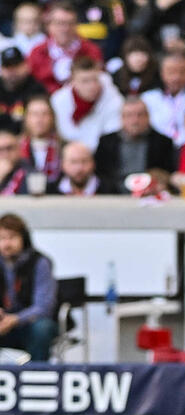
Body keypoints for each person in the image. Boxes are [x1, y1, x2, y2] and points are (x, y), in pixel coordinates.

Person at [0, 213, 58, 362]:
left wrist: (15, 319)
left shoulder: (40, 262)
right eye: (2, 238)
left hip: (28, 325)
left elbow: (44, 307)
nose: (6, 244)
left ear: (23, 238)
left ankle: (38, 375)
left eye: (12, 237)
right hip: (2, 323)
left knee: (42, 328)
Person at [95, 97, 176, 192]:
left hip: (150, 196)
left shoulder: (163, 142)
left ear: (148, 117)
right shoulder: (106, 142)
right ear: (122, 118)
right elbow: (100, 175)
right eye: (129, 115)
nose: (135, 121)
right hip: (115, 195)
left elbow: (169, 174)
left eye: (140, 115)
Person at [49, 56, 124, 152]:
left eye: (95, 79)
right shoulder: (59, 101)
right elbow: (66, 134)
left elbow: (112, 133)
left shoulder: (114, 98)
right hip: (73, 152)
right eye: (85, 81)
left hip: (105, 152)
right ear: (73, 82)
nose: (92, 86)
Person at [27, 1, 103, 94]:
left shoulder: (91, 51)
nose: (65, 29)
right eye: (60, 23)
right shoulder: (37, 52)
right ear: (49, 25)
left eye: (70, 23)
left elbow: (98, 80)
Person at [140, 54, 185, 148]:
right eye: (171, 72)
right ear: (162, 73)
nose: (176, 77)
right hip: (157, 150)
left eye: (182, 72)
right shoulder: (148, 98)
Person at [0, 46, 47, 134]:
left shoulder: (37, 89)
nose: (12, 71)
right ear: (2, 69)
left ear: (26, 66)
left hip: (26, 139)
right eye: (7, 67)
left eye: (16, 66)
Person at [50, 141, 117, 195]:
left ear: (93, 163)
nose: (79, 168)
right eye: (73, 162)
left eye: (84, 161)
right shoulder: (51, 191)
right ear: (63, 165)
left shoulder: (110, 190)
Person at [20, 96, 62, 181]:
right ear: (26, 118)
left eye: (45, 114)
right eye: (34, 114)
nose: (39, 120)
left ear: (52, 118)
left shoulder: (64, 148)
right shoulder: (14, 148)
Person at [0, 129, 30, 195]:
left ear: (19, 149)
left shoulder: (29, 171)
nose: (5, 154)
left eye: (9, 148)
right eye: (1, 149)